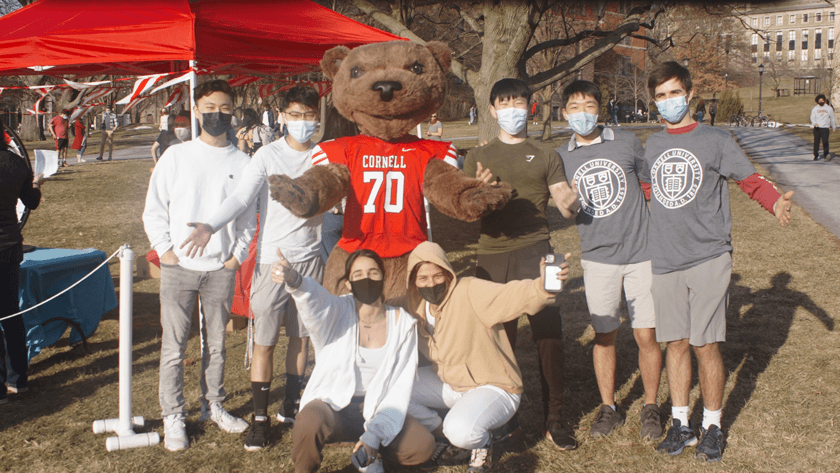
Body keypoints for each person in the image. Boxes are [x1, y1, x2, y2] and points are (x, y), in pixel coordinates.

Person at [641, 61, 794, 463]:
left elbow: (749, 179)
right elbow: (645, 191)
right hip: (665, 259)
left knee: (704, 343)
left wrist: (773, 201)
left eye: (675, 93)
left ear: (689, 94)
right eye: (661, 96)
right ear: (654, 102)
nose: (669, 101)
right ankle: (680, 424)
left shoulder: (716, 139)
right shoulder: (653, 145)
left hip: (709, 254)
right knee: (675, 342)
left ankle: (712, 426)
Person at [178, 86, 325, 451]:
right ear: (282, 116)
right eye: (294, 114)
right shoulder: (267, 156)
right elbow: (242, 197)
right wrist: (210, 225)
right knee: (265, 340)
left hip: (311, 259)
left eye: (308, 115)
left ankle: (290, 406)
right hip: (272, 261)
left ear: (318, 118)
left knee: (301, 337)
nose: (302, 122)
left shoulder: (325, 156)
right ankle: (259, 419)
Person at [462, 78, 580, 452]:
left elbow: (564, 200)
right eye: (504, 103)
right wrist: (479, 191)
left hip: (537, 250)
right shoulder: (476, 156)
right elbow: (467, 212)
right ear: (493, 109)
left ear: (529, 107)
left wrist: (574, 201)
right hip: (492, 254)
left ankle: (555, 419)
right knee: (498, 338)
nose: (512, 110)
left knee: (549, 335)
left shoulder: (546, 155)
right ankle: (505, 422)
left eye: (519, 103)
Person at [142, 79, 255, 451]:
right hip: (178, 269)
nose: (217, 115)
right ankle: (173, 414)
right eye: (209, 108)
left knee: (218, 344)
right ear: (196, 110)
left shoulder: (244, 162)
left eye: (224, 109)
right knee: (174, 347)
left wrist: (234, 258)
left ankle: (214, 405)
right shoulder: (176, 156)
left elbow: (248, 219)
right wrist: (166, 250)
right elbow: (154, 209)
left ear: (233, 111)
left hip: (220, 270)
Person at [556, 80, 663, 441]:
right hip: (598, 258)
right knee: (604, 336)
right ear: (563, 113)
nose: (582, 113)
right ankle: (609, 408)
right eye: (574, 107)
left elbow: (651, 182)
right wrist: (567, 207)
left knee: (646, 334)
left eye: (589, 106)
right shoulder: (561, 157)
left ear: (599, 110)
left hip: (641, 253)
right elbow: (561, 207)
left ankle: (650, 407)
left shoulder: (627, 142)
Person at [404, 241, 570, 472]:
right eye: (423, 279)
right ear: (413, 282)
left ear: (448, 274)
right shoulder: (417, 308)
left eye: (437, 275)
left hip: (494, 386)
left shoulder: (469, 290)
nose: (431, 283)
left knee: (460, 430)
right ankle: (442, 431)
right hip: (453, 384)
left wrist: (542, 287)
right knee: (393, 389)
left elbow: (512, 294)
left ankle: (480, 445)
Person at [271, 248, 435, 473]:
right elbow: (316, 303)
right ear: (348, 283)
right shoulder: (336, 311)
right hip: (333, 407)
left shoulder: (403, 324)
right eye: (357, 275)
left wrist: (374, 435)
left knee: (421, 446)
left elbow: (399, 387)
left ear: (383, 278)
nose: (366, 279)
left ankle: (370, 456)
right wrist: (296, 281)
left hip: (379, 406)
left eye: (373, 273)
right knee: (308, 421)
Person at [1, 141, 46, 405]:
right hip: (9, 245)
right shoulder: (16, 163)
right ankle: (18, 379)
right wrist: (37, 183)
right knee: (10, 313)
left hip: (7, 244)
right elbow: (31, 202)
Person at [318, 106, 359, 263]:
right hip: (359, 216)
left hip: (330, 216)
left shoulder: (321, 149)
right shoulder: (361, 148)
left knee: (333, 269)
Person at [810, 93, 835, 161]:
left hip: (825, 128)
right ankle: (816, 155)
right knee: (816, 142)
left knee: (825, 142)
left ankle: (826, 155)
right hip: (817, 128)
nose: (821, 102)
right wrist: (814, 123)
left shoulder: (828, 108)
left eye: (822, 100)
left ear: (824, 100)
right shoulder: (815, 109)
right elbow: (812, 117)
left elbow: (832, 118)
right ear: (817, 101)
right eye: (819, 101)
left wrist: (834, 127)